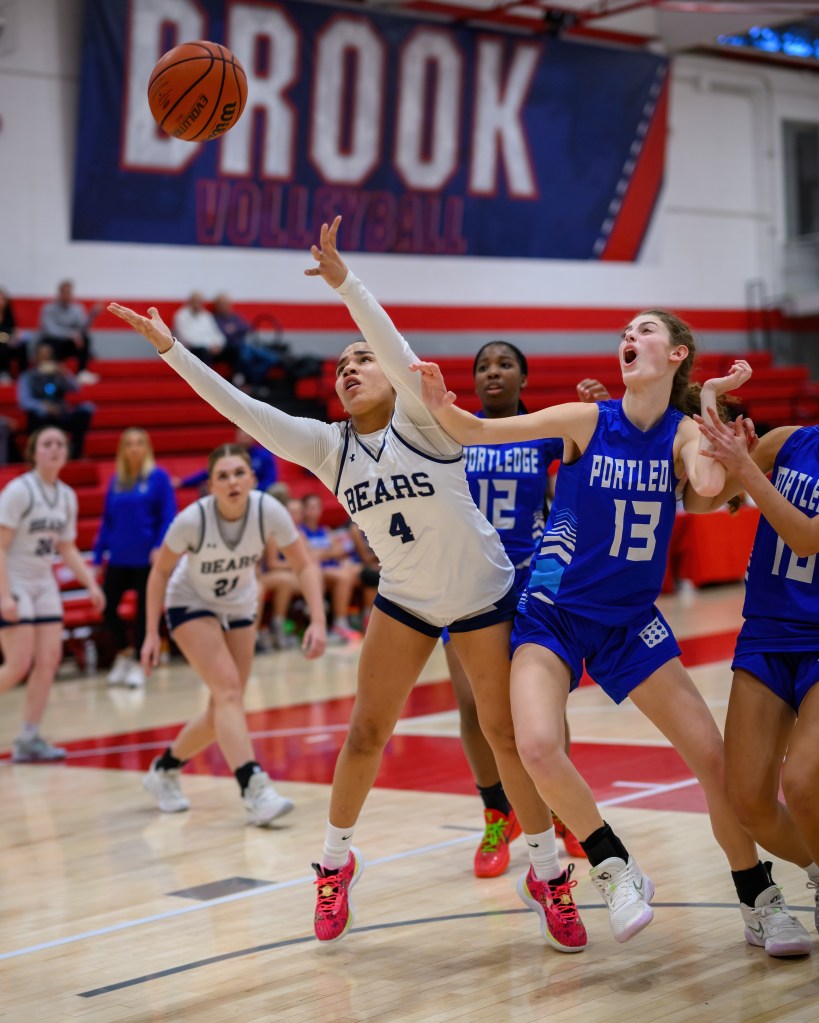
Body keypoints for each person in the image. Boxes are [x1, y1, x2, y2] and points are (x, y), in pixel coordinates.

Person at [108, 216, 587, 954]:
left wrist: (345, 285)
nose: (351, 368)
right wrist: (173, 349)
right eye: (340, 366)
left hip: (483, 594)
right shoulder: (327, 447)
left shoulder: (425, 420)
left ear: (390, 375)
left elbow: (392, 344)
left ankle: (548, 874)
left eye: (362, 359)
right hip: (407, 598)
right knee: (365, 731)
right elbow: (240, 410)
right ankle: (335, 864)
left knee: (504, 736)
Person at [412, 312, 811, 956]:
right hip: (555, 612)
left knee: (714, 763)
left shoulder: (682, 433)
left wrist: (710, 401)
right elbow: (477, 429)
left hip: (629, 620)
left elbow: (710, 485)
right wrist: (437, 403)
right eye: (625, 331)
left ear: (676, 353)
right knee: (536, 745)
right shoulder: (586, 419)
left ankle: (758, 899)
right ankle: (613, 866)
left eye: (645, 329)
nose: (630, 336)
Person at [139, 444, 327, 825]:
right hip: (189, 601)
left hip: (240, 604)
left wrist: (319, 621)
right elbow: (159, 572)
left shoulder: (268, 511)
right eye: (222, 476)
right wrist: (150, 633)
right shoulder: (192, 520)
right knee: (227, 689)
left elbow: (304, 565)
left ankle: (164, 769)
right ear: (210, 486)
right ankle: (254, 787)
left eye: (239, 473)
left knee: (224, 707)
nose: (232, 482)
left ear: (253, 479)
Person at [443, 339, 571, 879]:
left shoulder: (544, 430)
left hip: (529, 579)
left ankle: (563, 809)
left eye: (504, 364)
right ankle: (498, 812)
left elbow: (588, 463)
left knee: (544, 702)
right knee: (473, 707)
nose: (492, 372)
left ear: (524, 376)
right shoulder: (453, 430)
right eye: (482, 366)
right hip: (467, 581)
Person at [695, 407, 819, 942]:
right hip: (766, 634)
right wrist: (716, 458)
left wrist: (745, 468)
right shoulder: (789, 441)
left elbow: (806, 538)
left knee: (804, 782)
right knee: (748, 803)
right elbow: (701, 501)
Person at [0, 427, 105, 761]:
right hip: (14, 579)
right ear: (34, 452)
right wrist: (4, 596)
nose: (56, 448)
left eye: (61, 443)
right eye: (47, 444)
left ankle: (29, 738)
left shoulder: (66, 496)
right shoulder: (19, 490)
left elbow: (67, 547)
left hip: (43, 581)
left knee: (49, 661)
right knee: (17, 665)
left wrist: (90, 583)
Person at [93, 428, 177, 689]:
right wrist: (97, 556)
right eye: (129, 443)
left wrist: (160, 546)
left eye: (139, 443)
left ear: (147, 447)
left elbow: (168, 515)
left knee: (144, 612)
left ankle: (141, 663)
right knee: (107, 606)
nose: (134, 448)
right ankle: (124, 653)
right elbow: (107, 521)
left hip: (146, 558)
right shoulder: (117, 481)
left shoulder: (158, 478)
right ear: (122, 449)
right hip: (119, 557)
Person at [300, 492, 361, 644]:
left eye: (317, 507)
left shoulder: (325, 530)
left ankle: (360, 617)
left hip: (331, 570)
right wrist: (329, 552)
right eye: (311, 507)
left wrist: (321, 553)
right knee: (344, 576)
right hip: (315, 572)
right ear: (304, 510)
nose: (314, 511)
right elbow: (308, 556)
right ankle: (339, 623)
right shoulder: (300, 532)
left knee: (355, 572)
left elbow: (340, 551)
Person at [17, 342, 95, 458]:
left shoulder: (59, 373)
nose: (45, 359)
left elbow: (76, 389)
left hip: (60, 413)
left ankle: (75, 454)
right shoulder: (28, 376)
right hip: (42, 417)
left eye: (48, 356)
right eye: (42, 355)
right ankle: (36, 455)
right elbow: (24, 401)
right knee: (35, 416)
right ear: (36, 358)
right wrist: (44, 407)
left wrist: (65, 374)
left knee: (86, 410)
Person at [177, 426, 277, 494]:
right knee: (205, 488)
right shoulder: (228, 454)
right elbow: (208, 473)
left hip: (257, 490)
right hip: (231, 489)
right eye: (242, 432)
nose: (245, 435)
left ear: (254, 436)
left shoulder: (264, 455)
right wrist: (183, 482)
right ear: (237, 435)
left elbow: (270, 479)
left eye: (248, 433)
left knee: (278, 489)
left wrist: (252, 487)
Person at [38, 279, 101, 384]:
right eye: (64, 292)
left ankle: (82, 372)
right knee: (49, 344)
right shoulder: (48, 309)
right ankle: (50, 374)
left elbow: (82, 329)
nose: (67, 295)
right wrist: (71, 334)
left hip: (68, 345)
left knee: (84, 339)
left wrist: (92, 314)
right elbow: (50, 330)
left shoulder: (77, 309)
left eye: (69, 292)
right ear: (59, 293)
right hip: (53, 342)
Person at [172, 292, 226, 366]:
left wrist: (218, 344)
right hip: (191, 349)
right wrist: (208, 346)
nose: (198, 304)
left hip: (211, 349)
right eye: (196, 301)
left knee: (231, 350)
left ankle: (237, 373)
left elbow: (217, 333)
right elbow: (186, 338)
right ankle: (205, 373)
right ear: (190, 301)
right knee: (202, 351)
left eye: (200, 301)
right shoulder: (181, 316)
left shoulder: (207, 315)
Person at [0, 287, 30, 383]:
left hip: (8, 340)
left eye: (2, 299)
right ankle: (4, 372)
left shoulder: (8, 312)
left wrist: (16, 335)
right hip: (3, 342)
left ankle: (23, 375)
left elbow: (12, 328)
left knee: (22, 345)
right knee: (2, 345)